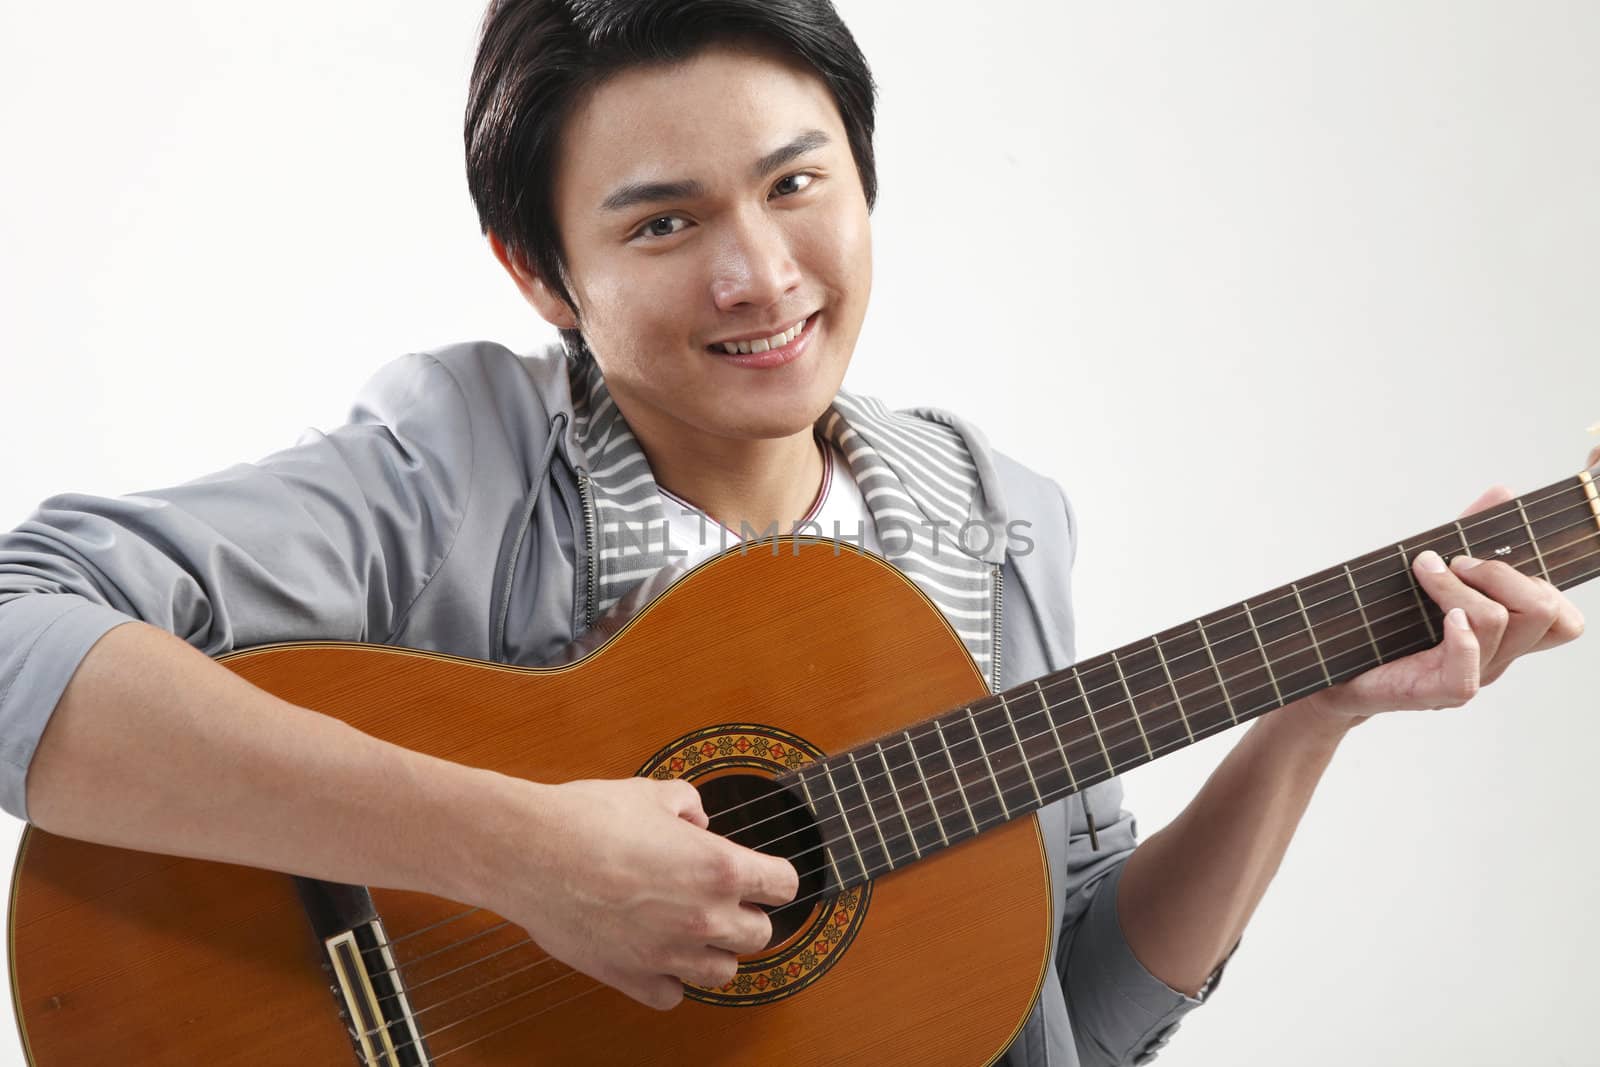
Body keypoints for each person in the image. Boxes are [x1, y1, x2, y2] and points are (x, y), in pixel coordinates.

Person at [0, 1, 1585, 1064]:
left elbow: (1068, 1021)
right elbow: (18, 624)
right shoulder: (450, 460)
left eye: (795, 184)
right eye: (664, 221)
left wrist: (1304, 718)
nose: (760, 275)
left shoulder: (995, 522)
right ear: (540, 274)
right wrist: (515, 850)